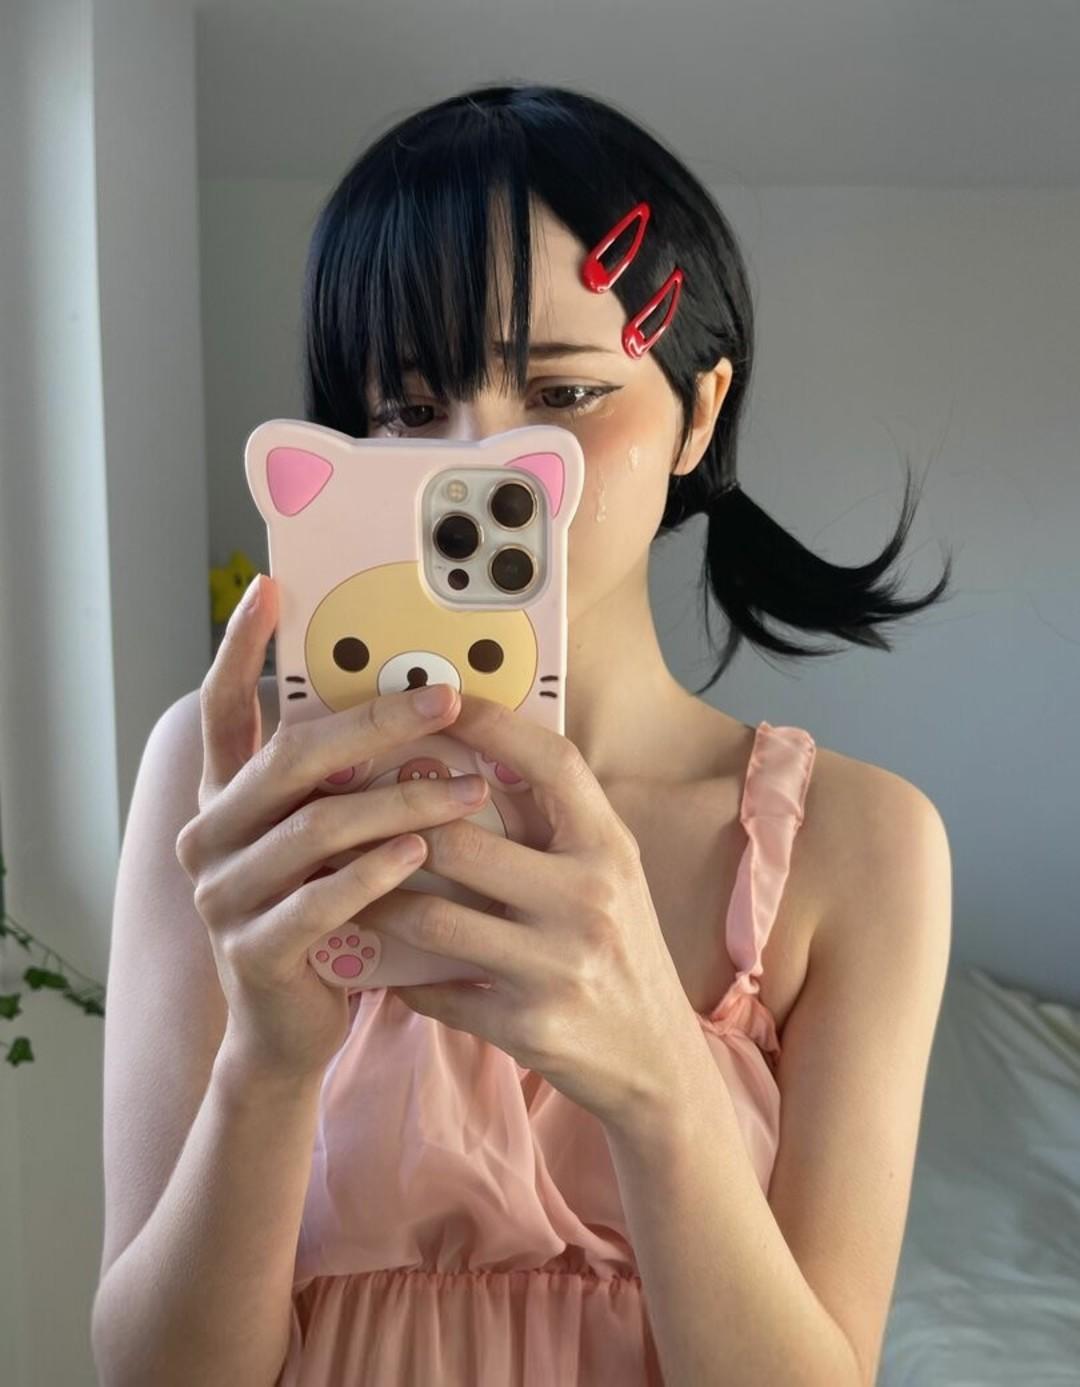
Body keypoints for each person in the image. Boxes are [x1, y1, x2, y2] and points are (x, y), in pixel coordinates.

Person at [92, 82, 954, 1387]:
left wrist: (658, 1082)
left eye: (563, 390)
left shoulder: (859, 843)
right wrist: (266, 1066)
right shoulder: (231, 782)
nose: (483, 467)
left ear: (701, 411)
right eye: (409, 407)